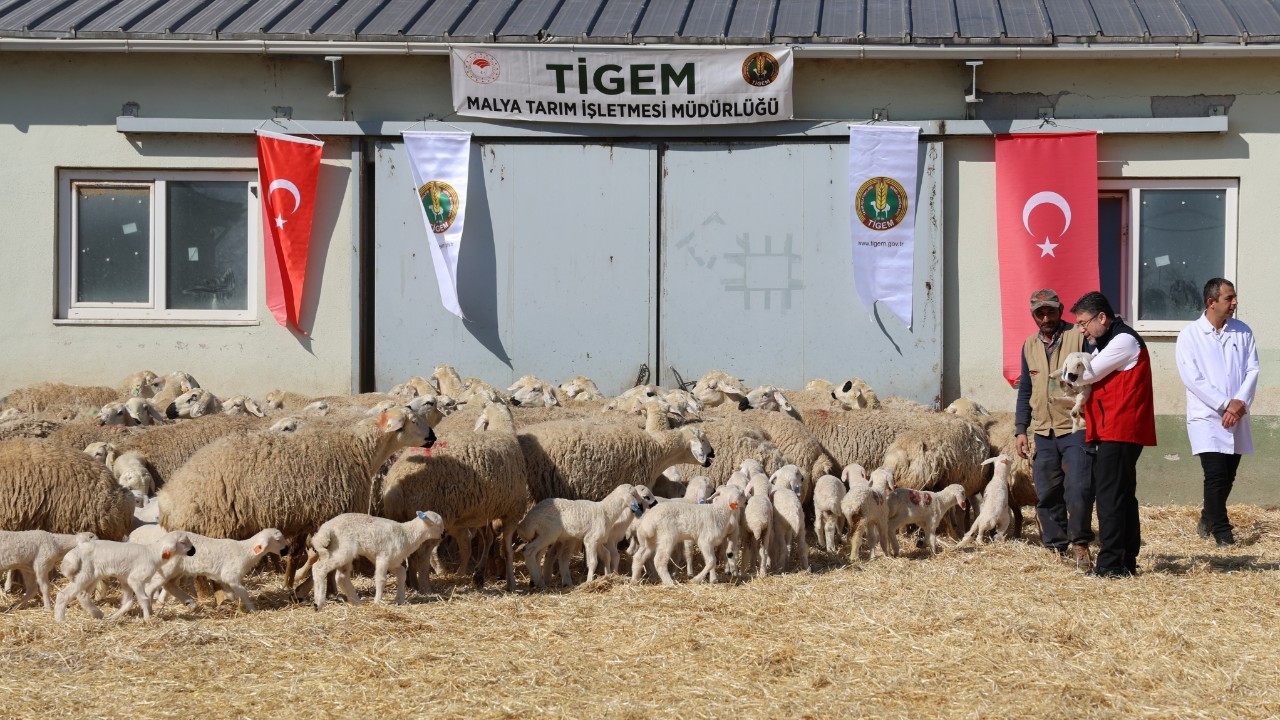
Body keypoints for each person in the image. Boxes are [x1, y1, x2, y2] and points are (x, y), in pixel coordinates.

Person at [1068, 291, 1156, 578]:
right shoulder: (1106, 342)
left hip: (1120, 428)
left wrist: (1069, 375)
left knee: (1109, 497)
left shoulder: (1124, 340)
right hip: (1114, 428)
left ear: (1102, 317)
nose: (1081, 330)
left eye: (1084, 323)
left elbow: (1087, 375)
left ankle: (1110, 565)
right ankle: (1126, 560)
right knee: (1121, 496)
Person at [1014, 289, 1095, 570]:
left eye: (1051, 311)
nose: (1046, 317)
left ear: (1060, 310)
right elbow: (1026, 389)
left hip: (1075, 426)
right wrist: (1020, 429)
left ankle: (1081, 544)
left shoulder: (1079, 336)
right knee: (1047, 492)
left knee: (1079, 489)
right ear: (1033, 315)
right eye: (1040, 313)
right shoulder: (1029, 345)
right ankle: (1055, 547)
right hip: (1043, 431)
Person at [1174, 278, 1258, 547]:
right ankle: (1223, 532)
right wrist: (1225, 404)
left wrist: (1239, 403)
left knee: (1228, 475)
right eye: (1228, 298)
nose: (1234, 303)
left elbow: (1252, 370)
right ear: (1211, 302)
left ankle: (1208, 518)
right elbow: (1193, 378)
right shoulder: (1189, 336)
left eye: (1234, 297)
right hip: (1207, 415)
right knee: (1215, 474)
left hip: (1237, 414)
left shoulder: (1242, 332)